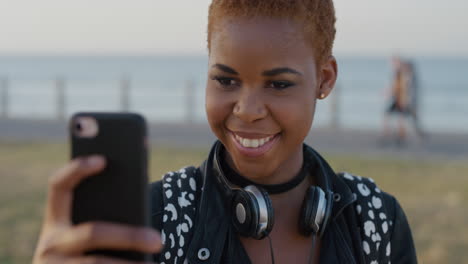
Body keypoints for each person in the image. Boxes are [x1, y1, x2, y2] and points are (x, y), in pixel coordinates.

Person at [33, 1, 418, 263]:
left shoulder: (377, 222)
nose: (246, 111)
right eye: (226, 79)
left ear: (325, 78)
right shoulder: (152, 220)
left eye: (279, 84)